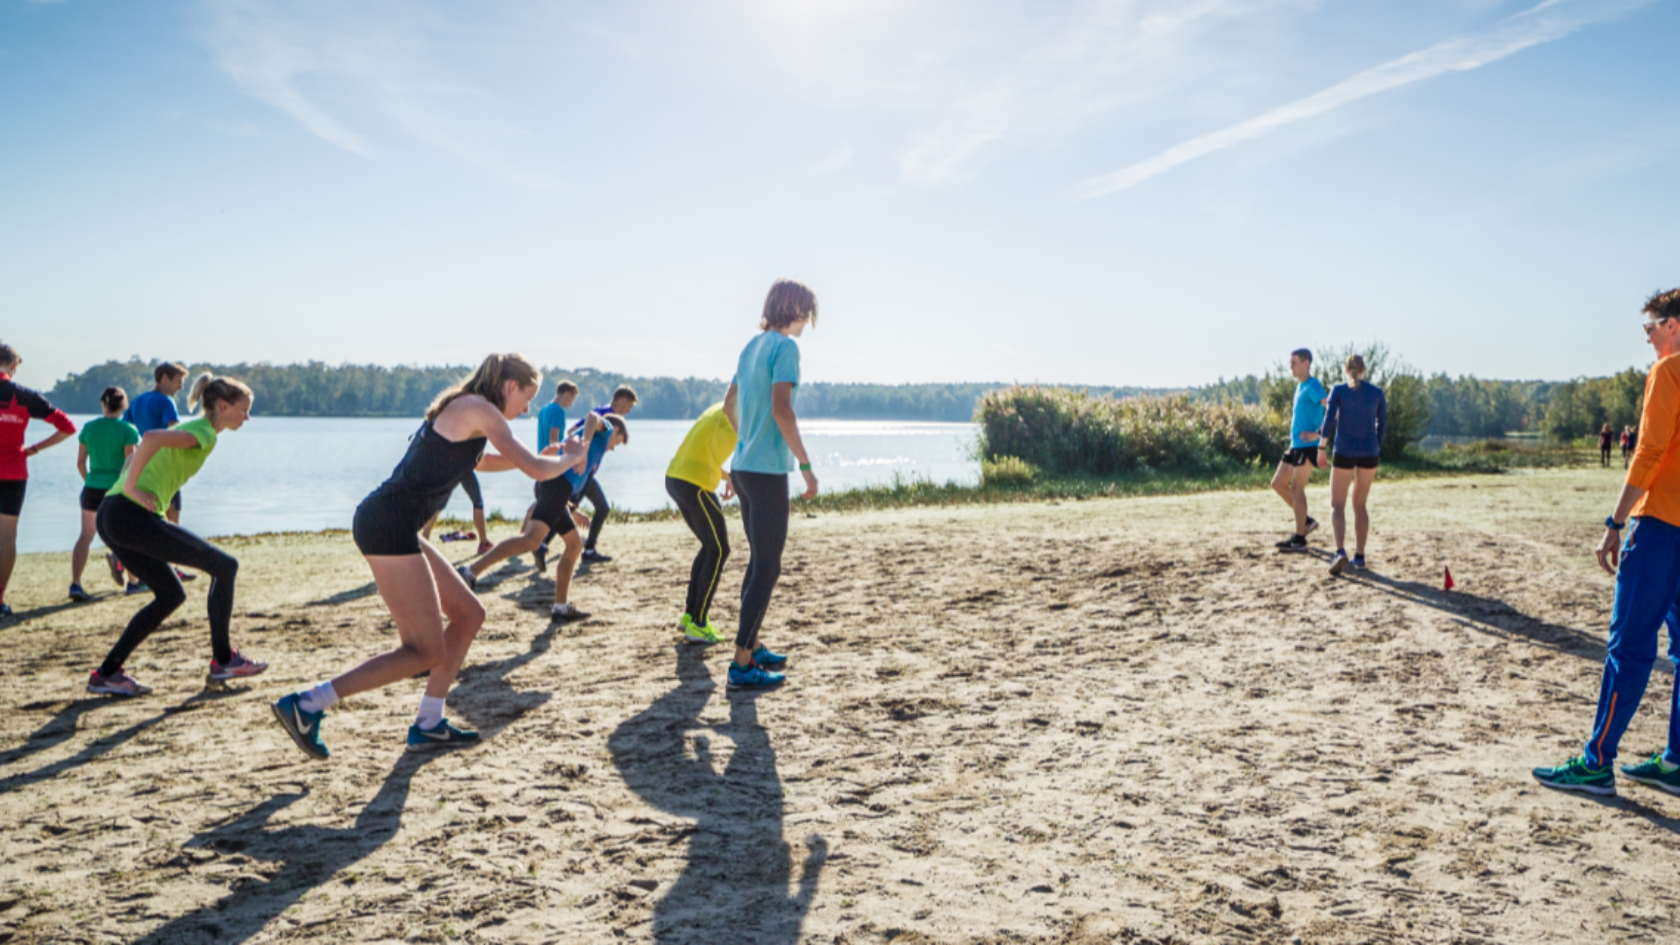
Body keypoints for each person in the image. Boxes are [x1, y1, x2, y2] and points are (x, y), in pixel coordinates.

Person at [271, 354, 575, 759]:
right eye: (527, 397)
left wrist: (550, 458)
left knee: (469, 615)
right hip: (389, 524)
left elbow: (484, 461)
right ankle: (308, 704)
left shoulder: (467, 409)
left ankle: (429, 722)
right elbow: (536, 469)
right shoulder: (479, 408)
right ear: (509, 387)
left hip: (392, 522)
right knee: (423, 651)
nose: (527, 409)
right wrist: (571, 458)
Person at [1535, 288, 1680, 797]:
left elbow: (1649, 453)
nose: (1648, 338)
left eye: (1651, 327)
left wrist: (1614, 522)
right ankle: (1676, 761)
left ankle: (1596, 762)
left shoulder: (1669, 371)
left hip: (1660, 526)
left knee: (1629, 644)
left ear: (1674, 325)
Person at [86, 374, 263, 695]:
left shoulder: (191, 428)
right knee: (225, 566)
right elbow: (150, 438)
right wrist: (132, 489)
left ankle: (107, 674)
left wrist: (128, 486)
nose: (247, 417)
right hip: (130, 514)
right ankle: (224, 660)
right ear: (224, 407)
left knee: (171, 594)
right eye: (245, 410)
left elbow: (135, 454)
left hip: (111, 514)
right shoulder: (204, 432)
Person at [724, 280, 820, 691]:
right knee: (768, 565)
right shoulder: (785, 348)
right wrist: (806, 465)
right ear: (795, 310)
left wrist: (747, 439)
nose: (808, 321)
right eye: (807, 312)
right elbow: (783, 410)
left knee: (759, 561)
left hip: (743, 467)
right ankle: (741, 664)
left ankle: (753, 645)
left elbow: (728, 405)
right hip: (765, 472)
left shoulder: (751, 347)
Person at [461, 412, 623, 622]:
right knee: (531, 540)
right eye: (619, 442)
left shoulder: (590, 445)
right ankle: (469, 572)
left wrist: (572, 509)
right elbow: (592, 416)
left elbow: (563, 482)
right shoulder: (606, 430)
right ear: (616, 430)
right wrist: (583, 451)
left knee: (574, 545)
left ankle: (561, 607)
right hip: (557, 485)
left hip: (557, 487)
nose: (614, 447)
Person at [0, 343, 78, 619]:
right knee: (6, 538)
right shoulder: (26, 396)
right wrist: (33, 449)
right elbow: (68, 427)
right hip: (13, 473)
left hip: (12, 473)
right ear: (14, 366)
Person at [665, 400, 738, 644]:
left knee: (710, 547)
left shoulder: (722, 407)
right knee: (719, 549)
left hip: (677, 478)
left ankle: (690, 616)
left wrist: (730, 477)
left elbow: (706, 454)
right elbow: (750, 451)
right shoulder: (740, 410)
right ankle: (698, 623)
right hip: (693, 482)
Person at [1319, 354, 1387, 576]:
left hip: (1344, 451)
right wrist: (1376, 447)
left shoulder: (1338, 390)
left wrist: (1321, 447)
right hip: (1369, 452)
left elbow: (1329, 420)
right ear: (1364, 370)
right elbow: (1383, 425)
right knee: (1360, 505)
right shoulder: (1377, 393)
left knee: (1337, 505)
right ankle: (1360, 557)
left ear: (1346, 371)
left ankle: (1340, 551)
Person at [71, 387, 139, 601]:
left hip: (92, 487)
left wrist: (89, 481)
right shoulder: (128, 429)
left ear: (103, 403)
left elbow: (80, 463)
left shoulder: (89, 428)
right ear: (124, 405)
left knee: (85, 537)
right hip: (116, 490)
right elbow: (130, 465)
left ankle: (75, 584)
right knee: (127, 536)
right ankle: (133, 583)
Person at [567, 385, 639, 564]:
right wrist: (582, 453)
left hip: (585, 472)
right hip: (582, 472)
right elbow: (576, 431)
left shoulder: (602, 411)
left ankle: (586, 548)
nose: (628, 412)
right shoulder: (606, 416)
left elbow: (571, 430)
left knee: (574, 507)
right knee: (568, 508)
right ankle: (543, 542)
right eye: (629, 406)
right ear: (622, 401)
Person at [1271, 348, 1327, 553]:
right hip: (1295, 446)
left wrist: (1318, 434)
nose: (1290, 367)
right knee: (1277, 483)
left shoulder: (1313, 385)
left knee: (1297, 488)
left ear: (1306, 364)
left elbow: (1333, 410)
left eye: (1294, 363)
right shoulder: (1300, 386)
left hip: (1308, 446)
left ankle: (1300, 538)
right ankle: (1306, 522)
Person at [528, 381, 579, 568]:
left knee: (551, 506)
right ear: (567, 393)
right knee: (557, 507)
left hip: (542, 461)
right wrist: (568, 457)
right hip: (553, 465)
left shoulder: (544, 409)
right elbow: (554, 440)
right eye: (573, 398)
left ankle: (539, 543)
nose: (572, 403)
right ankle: (538, 543)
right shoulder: (558, 411)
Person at [420, 471, 492, 555]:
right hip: (463, 468)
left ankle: (424, 540)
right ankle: (484, 543)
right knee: (477, 502)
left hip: (447, 468)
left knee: (438, 504)